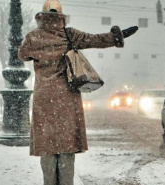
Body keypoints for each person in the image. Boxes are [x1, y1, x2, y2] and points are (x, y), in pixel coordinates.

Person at [18, 0, 138, 184]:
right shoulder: (69, 34)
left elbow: (22, 55)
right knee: (66, 146)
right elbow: (96, 40)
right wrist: (117, 36)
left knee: (48, 147)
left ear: (42, 17)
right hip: (67, 96)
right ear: (61, 17)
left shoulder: (33, 37)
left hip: (44, 98)